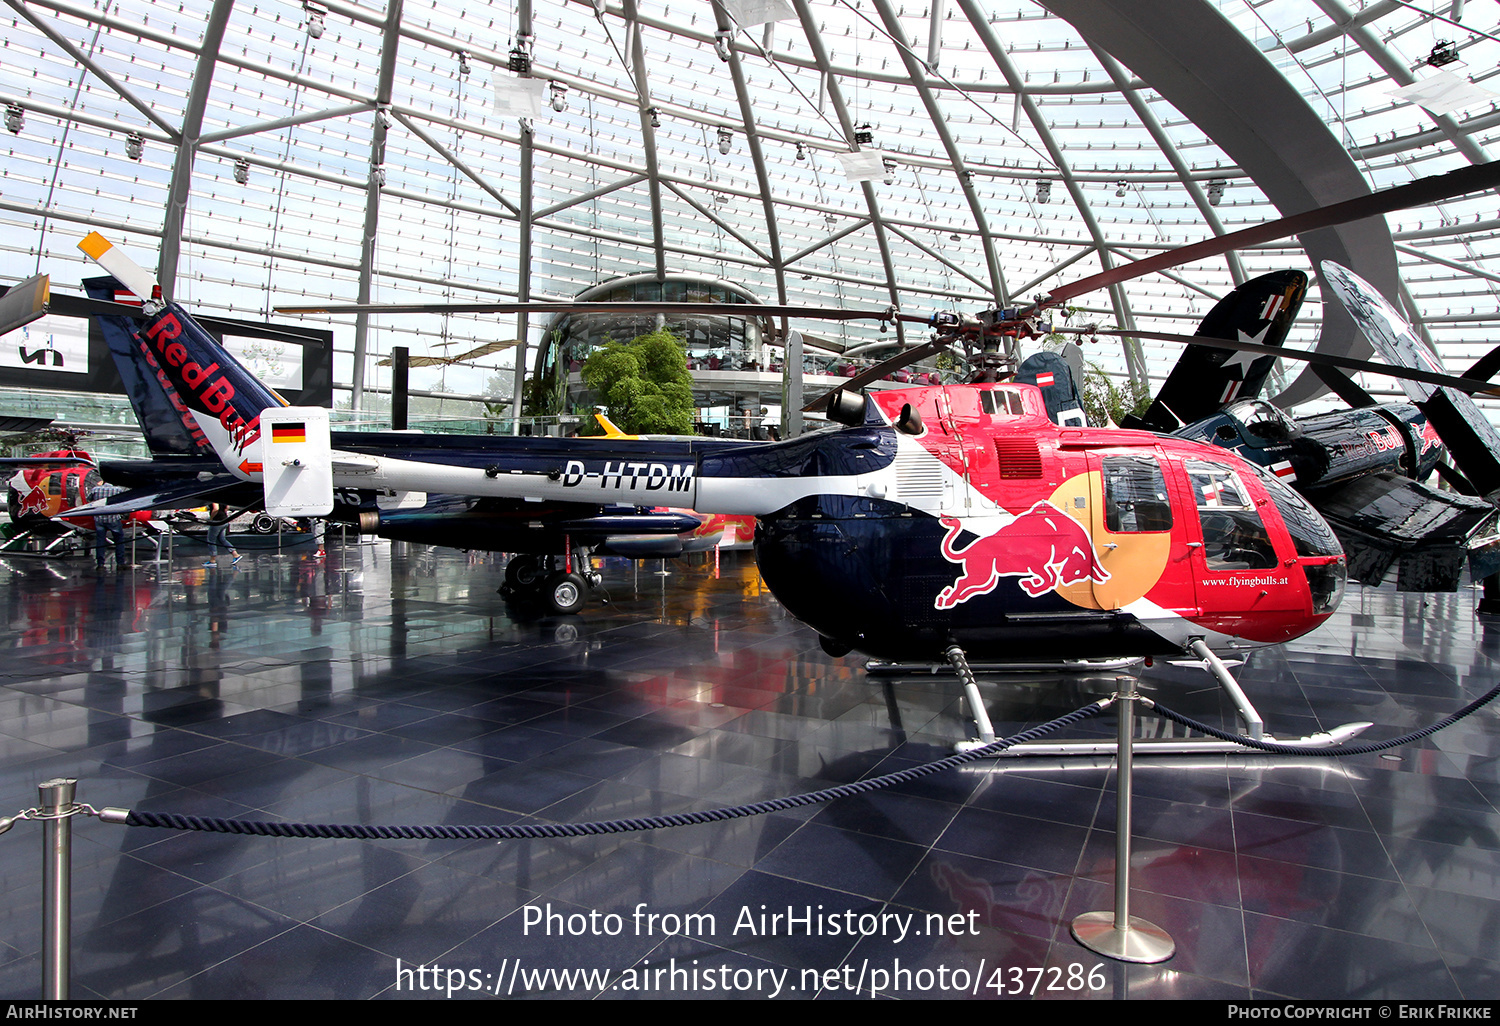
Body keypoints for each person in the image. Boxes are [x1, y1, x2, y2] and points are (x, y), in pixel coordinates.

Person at [88, 480, 128, 569]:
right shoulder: (118, 490)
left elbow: (89, 500)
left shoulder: (95, 489)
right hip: (113, 518)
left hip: (99, 518)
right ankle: (120, 563)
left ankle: (100, 564)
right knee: (119, 540)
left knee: (100, 541)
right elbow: (123, 501)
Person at [204, 503, 241, 567]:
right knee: (222, 539)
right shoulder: (222, 497)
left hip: (217, 522)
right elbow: (227, 507)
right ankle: (235, 554)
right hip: (224, 520)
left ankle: (212, 561)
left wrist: (211, 519)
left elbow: (216, 508)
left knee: (211, 540)